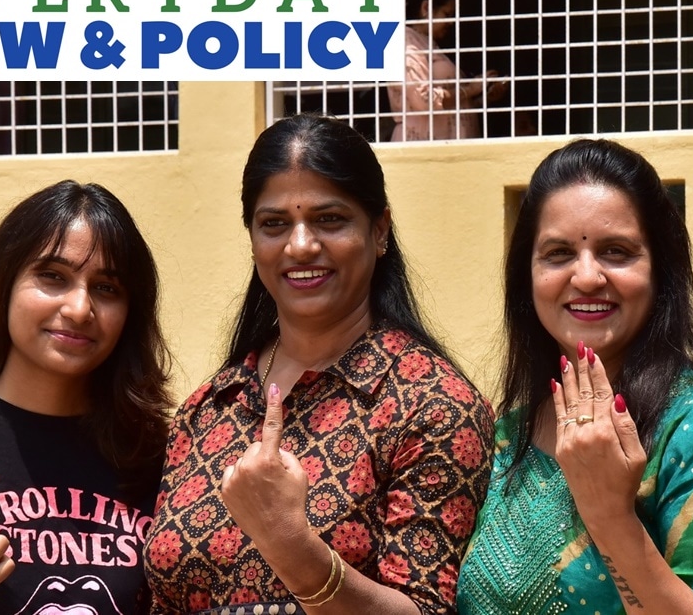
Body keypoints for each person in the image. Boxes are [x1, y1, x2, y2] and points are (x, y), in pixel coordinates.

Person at [144, 114, 494, 614]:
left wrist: (291, 544)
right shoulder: (207, 409)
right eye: (274, 224)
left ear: (379, 231)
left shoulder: (432, 405)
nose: (301, 245)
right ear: (252, 238)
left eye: (329, 219)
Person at [456, 139, 693, 615]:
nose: (586, 277)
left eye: (616, 252)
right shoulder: (508, 433)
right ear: (528, 275)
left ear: (660, 271)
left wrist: (610, 517)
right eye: (559, 253)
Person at [0, 180, 173, 615]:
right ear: (3, 283)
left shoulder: (158, 458)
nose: (80, 308)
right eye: (53, 277)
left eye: (106, 288)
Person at [387, 0, 508, 141]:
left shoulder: (427, 43)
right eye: (447, 14)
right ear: (426, 8)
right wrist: (471, 89)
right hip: (424, 145)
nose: (451, 22)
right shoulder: (406, 41)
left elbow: (452, 107)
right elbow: (423, 100)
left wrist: (485, 97)